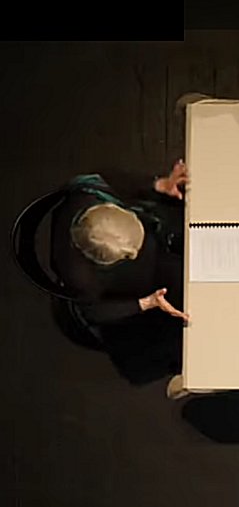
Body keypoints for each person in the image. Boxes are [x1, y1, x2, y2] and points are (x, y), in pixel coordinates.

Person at [50, 161, 190, 384]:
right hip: (138, 285)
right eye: (130, 254)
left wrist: (161, 185)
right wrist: (145, 303)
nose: (136, 252)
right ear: (103, 261)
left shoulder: (91, 192)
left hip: (156, 258)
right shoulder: (81, 278)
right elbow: (93, 312)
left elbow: (112, 176)